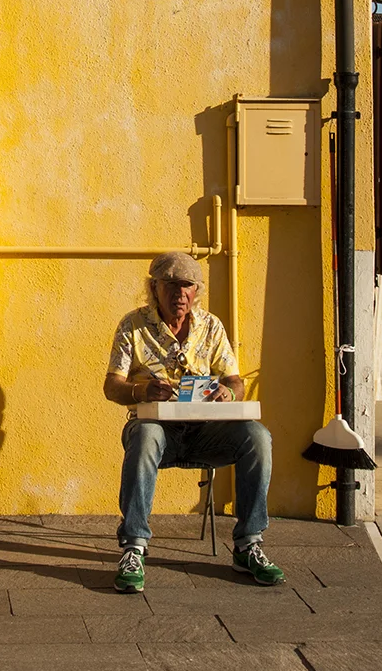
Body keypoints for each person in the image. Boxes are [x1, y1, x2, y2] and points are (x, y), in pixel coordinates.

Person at [103, 251, 284, 592]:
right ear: (154, 288)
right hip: (156, 430)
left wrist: (228, 394)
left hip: (206, 432)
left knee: (257, 436)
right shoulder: (133, 325)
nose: (180, 294)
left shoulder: (210, 326)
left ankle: (248, 545)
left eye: (188, 286)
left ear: (196, 291)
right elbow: (111, 386)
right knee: (145, 436)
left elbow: (235, 381)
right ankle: (134, 548)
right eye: (171, 285)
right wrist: (142, 391)